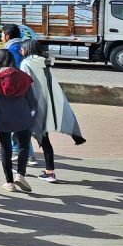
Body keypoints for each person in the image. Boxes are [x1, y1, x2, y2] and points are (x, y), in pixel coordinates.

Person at [19, 39, 86, 183]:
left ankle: (20, 171)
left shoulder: (26, 64)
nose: (21, 51)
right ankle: (49, 171)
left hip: (33, 105)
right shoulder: (45, 62)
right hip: (48, 104)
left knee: (25, 138)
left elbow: (25, 84)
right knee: (44, 138)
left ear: (27, 49)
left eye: (22, 49)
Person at [0, 49, 38, 193]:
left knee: (6, 149)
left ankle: (9, 182)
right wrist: (32, 116)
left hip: (2, 118)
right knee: (24, 146)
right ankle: (21, 174)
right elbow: (32, 101)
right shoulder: (23, 77)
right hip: (23, 116)